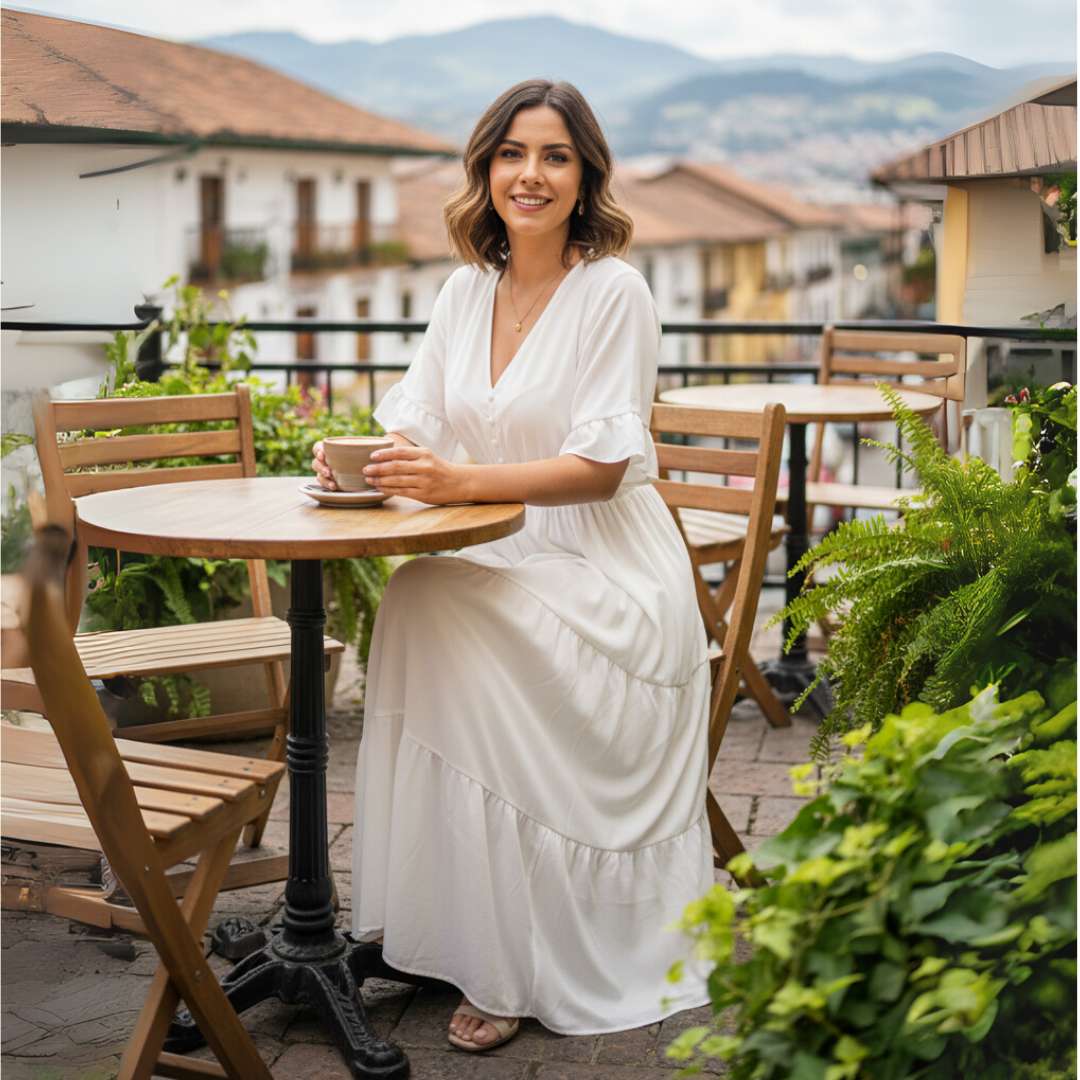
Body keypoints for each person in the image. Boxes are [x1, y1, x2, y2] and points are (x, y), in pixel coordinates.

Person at [312, 78, 712, 1052]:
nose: (530, 174)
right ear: (486, 169)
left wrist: (459, 483)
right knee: (416, 595)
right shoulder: (464, 290)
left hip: (608, 571)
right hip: (499, 551)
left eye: (555, 156)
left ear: (585, 178)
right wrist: (366, 457)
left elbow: (607, 465)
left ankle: (518, 960)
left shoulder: (613, 291)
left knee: (445, 604)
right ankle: (453, 923)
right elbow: (419, 418)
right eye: (512, 154)